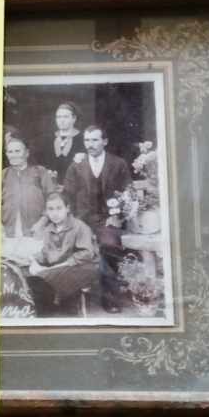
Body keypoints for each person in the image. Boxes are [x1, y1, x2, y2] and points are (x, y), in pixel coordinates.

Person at [62, 124, 132, 312]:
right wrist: (70, 221)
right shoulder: (76, 165)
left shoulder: (118, 164)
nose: (90, 144)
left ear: (105, 141)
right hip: (82, 220)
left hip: (109, 219)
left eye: (94, 140)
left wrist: (117, 217)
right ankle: (76, 299)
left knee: (109, 245)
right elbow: (67, 195)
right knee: (80, 248)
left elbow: (128, 193)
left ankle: (110, 299)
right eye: (86, 140)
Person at [27, 193, 100, 316]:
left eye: (59, 208)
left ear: (67, 208)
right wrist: (33, 259)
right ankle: (48, 308)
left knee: (42, 277)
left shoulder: (79, 226)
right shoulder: (49, 230)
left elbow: (87, 254)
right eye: (50, 209)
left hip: (83, 267)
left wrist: (51, 268)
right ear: (46, 211)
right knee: (31, 274)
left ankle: (51, 309)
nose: (55, 213)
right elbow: (47, 253)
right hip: (62, 267)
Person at [1, 137, 56, 238]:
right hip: (8, 232)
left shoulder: (40, 172)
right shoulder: (3, 175)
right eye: (10, 152)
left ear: (26, 153)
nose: (13, 155)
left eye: (17, 151)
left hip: (37, 230)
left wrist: (42, 222)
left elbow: (53, 199)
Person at [39, 101, 84, 184]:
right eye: (58, 117)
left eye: (65, 117)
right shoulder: (48, 139)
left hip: (74, 185)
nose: (61, 120)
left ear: (74, 119)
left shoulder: (83, 139)